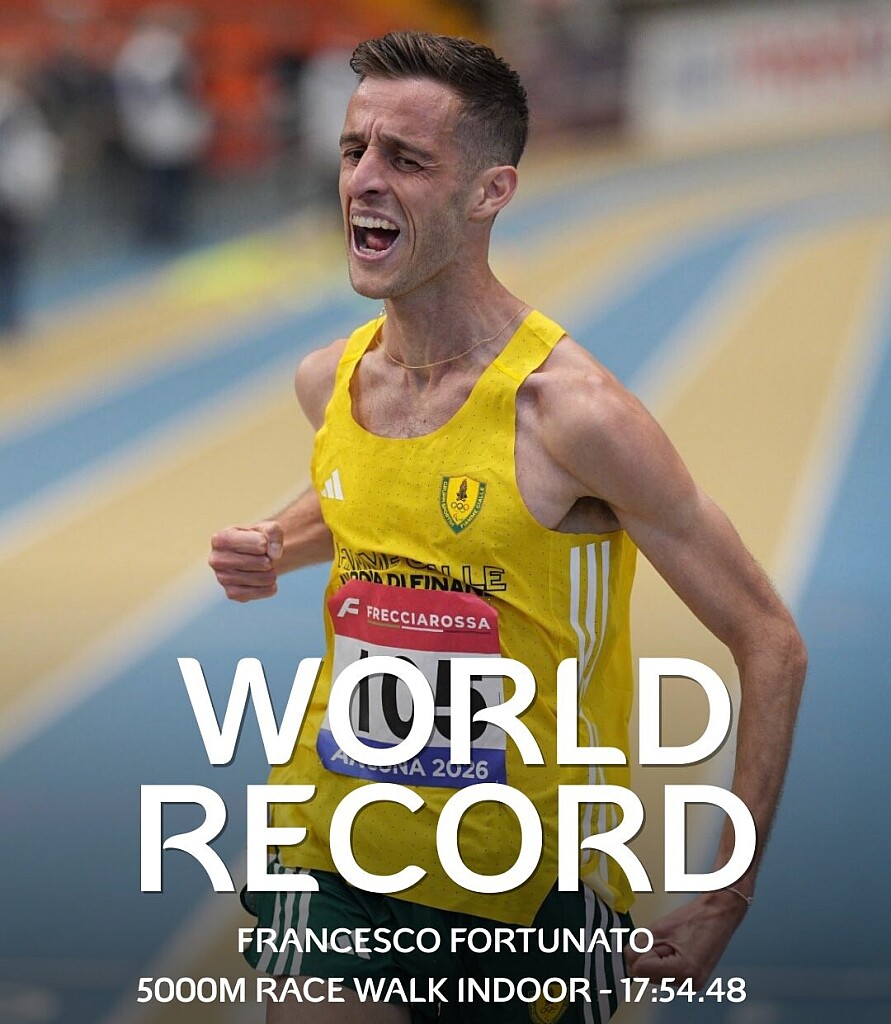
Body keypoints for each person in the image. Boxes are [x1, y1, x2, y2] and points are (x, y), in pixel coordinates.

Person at [208, 31, 806, 1024]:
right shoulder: (332, 382)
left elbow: (770, 640)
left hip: (530, 881)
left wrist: (725, 894)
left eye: (406, 159)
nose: (363, 179)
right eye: (354, 150)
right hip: (339, 844)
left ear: (491, 191)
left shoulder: (575, 417)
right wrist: (277, 539)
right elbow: (370, 499)